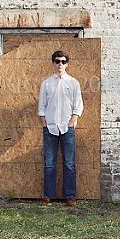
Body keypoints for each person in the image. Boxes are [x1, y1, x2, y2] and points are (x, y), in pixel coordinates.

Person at [38, 50, 84, 206]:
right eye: (57, 61)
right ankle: (48, 195)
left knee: (69, 163)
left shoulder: (73, 83)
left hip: (67, 128)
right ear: (53, 63)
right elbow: (41, 107)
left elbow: (78, 106)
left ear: (67, 64)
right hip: (50, 128)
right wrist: (45, 124)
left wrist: (71, 123)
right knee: (49, 163)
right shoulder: (46, 83)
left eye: (63, 61)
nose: (60, 64)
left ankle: (70, 196)